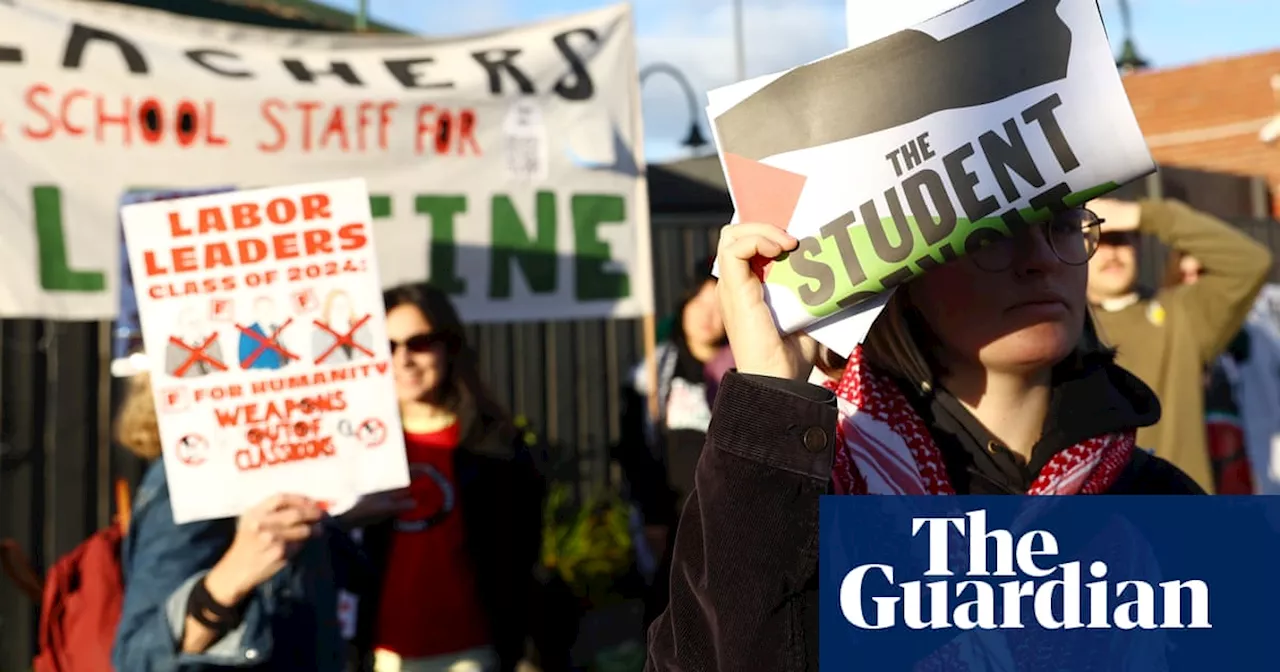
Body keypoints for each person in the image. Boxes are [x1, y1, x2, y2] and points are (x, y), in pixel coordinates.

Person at [646, 208, 1204, 671]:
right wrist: (769, 395)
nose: (1041, 260)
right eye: (992, 233)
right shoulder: (804, 495)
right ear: (901, 276)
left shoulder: (1162, 505)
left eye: (1061, 225)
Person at [112, 371, 369, 672]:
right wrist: (230, 578)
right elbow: (137, 658)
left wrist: (338, 521)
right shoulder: (195, 478)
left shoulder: (272, 467)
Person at [349, 282, 545, 672]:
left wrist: (526, 651)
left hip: (473, 650)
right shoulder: (353, 447)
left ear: (448, 346)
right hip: (382, 653)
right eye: (387, 346)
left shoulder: (497, 445)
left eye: (418, 342)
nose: (403, 359)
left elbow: (522, 555)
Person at [1086, 198, 1272, 492]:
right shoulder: (1066, 331)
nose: (1110, 251)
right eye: (1094, 241)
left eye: (1120, 237)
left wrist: (1143, 214)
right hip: (1105, 519)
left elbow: (1251, 262)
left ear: (1137, 241)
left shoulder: (1181, 315)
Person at [615, 257, 727, 626]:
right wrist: (652, 517)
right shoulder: (653, 372)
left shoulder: (743, 369)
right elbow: (634, 450)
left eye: (719, 307)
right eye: (700, 303)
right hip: (672, 519)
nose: (707, 316)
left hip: (724, 519)